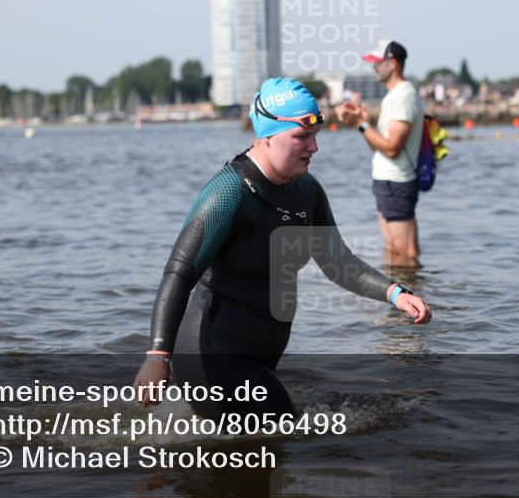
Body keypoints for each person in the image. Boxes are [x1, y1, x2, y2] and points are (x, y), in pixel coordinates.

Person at [132, 78, 432, 418]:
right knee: (288, 437)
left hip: (259, 359)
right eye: (302, 137)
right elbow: (179, 273)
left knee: (274, 453)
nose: (314, 147)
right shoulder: (227, 195)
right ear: (268, 135)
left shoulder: (305, 189)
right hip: (213, 357)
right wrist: (158, 357)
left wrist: (395, 294)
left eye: (315, 136)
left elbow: (336, 261)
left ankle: (164, 474)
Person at [338, 40, 425, 267]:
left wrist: (361, 124)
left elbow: (392, 148)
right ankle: (397, 297)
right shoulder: (393, 96)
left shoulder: (403, 96)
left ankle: (415, 296)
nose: (374, 68)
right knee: (393, 250)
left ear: (393, 63)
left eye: (378, 63)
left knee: (405, 251)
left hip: (397, 181)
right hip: (387, 181)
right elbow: (381, 146)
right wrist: (363, 124)